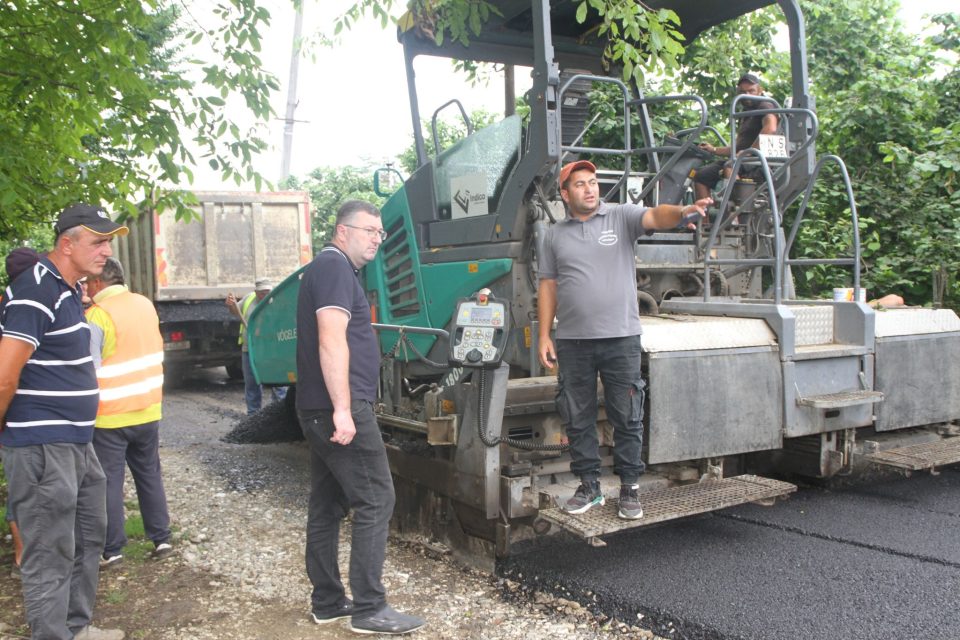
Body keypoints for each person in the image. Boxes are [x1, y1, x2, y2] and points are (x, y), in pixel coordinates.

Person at [538, 161, 711, 520]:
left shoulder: (620, 217)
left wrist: (683, 212)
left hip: (621, 338)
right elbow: (548, 286)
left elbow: (656, 216)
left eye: (593, 182)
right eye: (580, 184)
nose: (590, 189)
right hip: (572, 340)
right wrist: (543, 335)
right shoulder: (553, 235)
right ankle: (589, 487)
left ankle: (630, 488)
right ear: (565, 194)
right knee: (577, 416)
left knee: (627, 415)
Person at [295, 200, 425, 635]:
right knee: (377, 498)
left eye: (379, 232)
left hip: (319, 407)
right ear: (342, 231)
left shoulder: (330, 269)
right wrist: (343, 410)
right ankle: (370, 608)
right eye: (368, 230)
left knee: (327, 503)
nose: (376, 239)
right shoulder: (334, 268)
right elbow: (331, 341)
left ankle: (328, 601)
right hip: (336, 407)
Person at [0, 204, 128, 640]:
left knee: (89, 536)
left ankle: (76, 628)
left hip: (76, 441)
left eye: (108, 242)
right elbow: (5, 375)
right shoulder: (35, 289)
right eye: (98, 242)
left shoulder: (69, 289)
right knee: (49, 552)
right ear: (67, 244)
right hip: (42, 444)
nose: (107, 251)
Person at [86, 257, 173, 569]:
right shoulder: (144, 304)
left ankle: (112, 550)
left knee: (110, 482)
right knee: (149, 474)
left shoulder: (97, 315)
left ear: (98, 282)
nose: (86, 287)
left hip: (110, 414)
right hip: (148, 408)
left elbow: (88, 368)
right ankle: (162, 538)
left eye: (88, 281)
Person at [2, 246, 41, 576]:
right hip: (18, 412)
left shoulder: (9, 302)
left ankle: (22, 555)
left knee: (20, 489)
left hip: (17, 414)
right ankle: (26, 557)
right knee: (27, 489)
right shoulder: (27, 305)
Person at [692, 73, 779, 202]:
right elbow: (736, 148)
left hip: (758, 160)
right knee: (701, 176)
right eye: (743, 92)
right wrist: (714, 149)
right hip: (742, 158)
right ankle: (704, 214)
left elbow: (770, 128)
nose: (747, 95)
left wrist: (749, 152)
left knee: (730, 166)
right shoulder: (746, 113)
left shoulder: (765, 105)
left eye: (751, 91)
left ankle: (738, 211)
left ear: (760, 90)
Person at [226, 279, 282, 414]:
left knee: (279, 384)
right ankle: (253, 415)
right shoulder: (249, 299)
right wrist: (231, 305)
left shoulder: (277, 301)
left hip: (271, 350)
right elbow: (235, 311)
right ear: (256, 292)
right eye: (262, 293)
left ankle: (280, 413)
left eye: (268, 292)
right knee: (252, 384)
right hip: (250, 350)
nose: (265, 295)